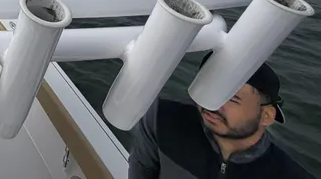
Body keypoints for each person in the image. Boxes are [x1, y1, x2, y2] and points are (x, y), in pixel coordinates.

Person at [128, 52, 314, 178]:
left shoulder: (292, 172)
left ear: (266, 115)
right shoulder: (161, 119)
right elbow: (142, 169)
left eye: (231, 98)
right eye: (208, 90)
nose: (212, 103)